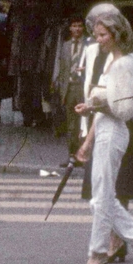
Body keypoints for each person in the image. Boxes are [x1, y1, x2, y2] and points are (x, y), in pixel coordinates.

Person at [73, 3, 133, 264]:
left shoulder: (125, 60)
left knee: (101, 197)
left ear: (116, 33)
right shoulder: (105, 55)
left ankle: (97, 253)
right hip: (102, 127)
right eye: (95, 33)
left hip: (114, 129)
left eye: (101, 34)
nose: (96, 39)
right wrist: (95, 109)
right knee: (100, 197)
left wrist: (105, 104)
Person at [53, 17, 89, 158]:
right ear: (70, 28)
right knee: (71, 125)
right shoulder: (65, 45)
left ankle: (84, 156)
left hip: (82, 87)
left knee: (84, 123)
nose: (77, 29)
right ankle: (72, 156)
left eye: (80, 26)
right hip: (69, 88)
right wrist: (62, 90)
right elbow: (63, 70)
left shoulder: (89, 45)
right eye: (74, 26)